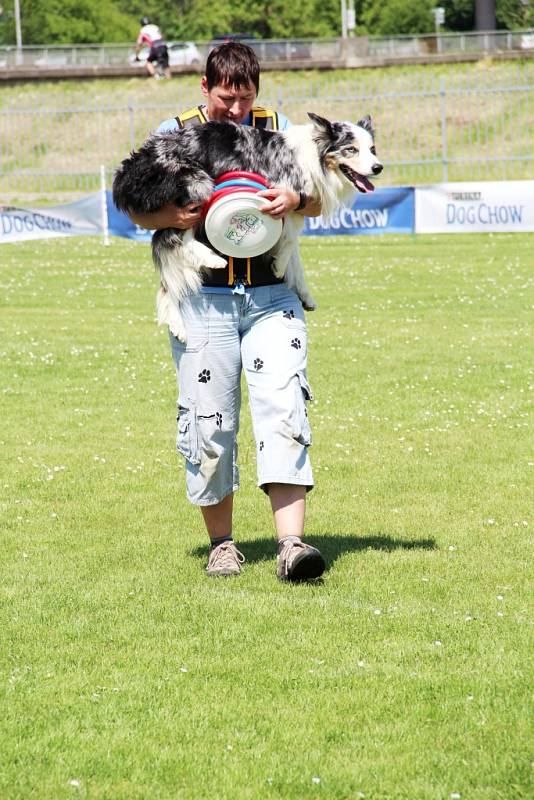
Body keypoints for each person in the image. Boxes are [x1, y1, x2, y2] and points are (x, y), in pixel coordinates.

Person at [129, 42, 326, 582]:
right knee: (208, 421)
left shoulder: (281, 128)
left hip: (272, 293)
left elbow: (318, 192)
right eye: (226, 97)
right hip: (203, 298)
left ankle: (292, 546)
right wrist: (173, 213)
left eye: (246, 97)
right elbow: (132, 203)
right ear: (204, 88)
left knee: (285, 405)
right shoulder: (175, 131)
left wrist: (296, 201)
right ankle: (222, 546)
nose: (237, 109)